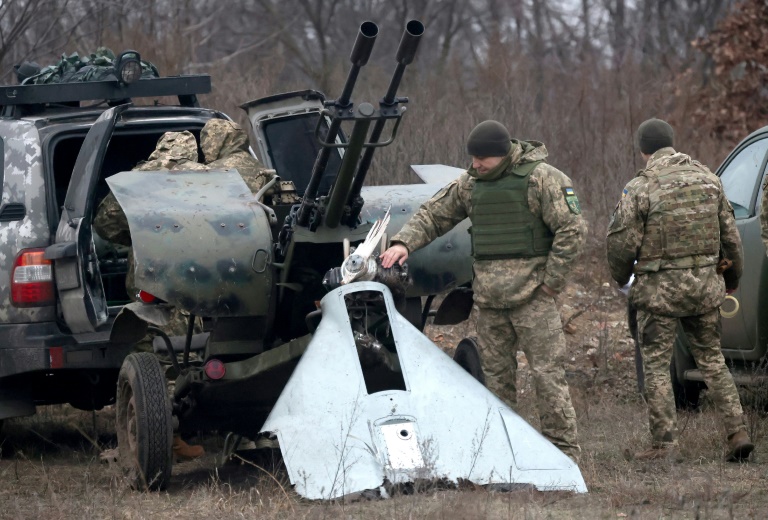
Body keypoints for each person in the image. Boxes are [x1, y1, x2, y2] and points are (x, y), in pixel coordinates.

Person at [381, 120, 586, 462]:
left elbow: (572, 230)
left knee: (548, 376)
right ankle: (506, 453)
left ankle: (563, 454)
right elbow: (434, 214)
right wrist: (404, 242)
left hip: (535, 298)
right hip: (490, 301)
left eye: (482, 159)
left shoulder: (543, 179)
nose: (475, 165)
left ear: (504, 155)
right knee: (495, 381)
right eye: (473, 158)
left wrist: (552, 281)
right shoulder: (471, 184)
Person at [606, 118, 753, 462]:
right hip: (704, 290)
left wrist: (621, 277)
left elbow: (620, 245)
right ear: (672, 142)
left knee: (656, 367)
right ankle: (738, 433)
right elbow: (731, 239)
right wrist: (732, 281)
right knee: (713, 360)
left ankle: (664, 445)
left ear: (643, 149)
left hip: (659, 295)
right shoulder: (710, 180)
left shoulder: (640, 188)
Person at [94, 130, 207, 462]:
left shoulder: (137, 178)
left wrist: (138, 231)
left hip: (151, 276)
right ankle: (172, 437)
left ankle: (156, 435)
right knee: (191, 348)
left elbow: (105, 225)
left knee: (151, 349)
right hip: (204, 273)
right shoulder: (211, 176)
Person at [199, 118, 274, 194]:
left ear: (217, 140)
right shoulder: (263, 169)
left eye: (206, 138)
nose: (202, 145)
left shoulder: (211, 171)